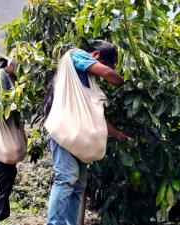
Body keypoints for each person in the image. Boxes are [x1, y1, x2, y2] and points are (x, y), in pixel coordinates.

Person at [46, 41, 130, 225]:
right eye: (106, 63)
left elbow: (95, 116)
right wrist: (127, 87)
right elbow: (109, 75)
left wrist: (117, 135)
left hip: (76, 135)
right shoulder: (76, 55)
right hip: (64, 131)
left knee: (77, 186)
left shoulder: (86, 81)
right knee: (66, 178)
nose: (105, 70)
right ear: (96, 55)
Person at [0, 56, 20, 225]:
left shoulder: (11, 78)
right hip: (1, 136)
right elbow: (1, 103)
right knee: (1, 174)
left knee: (9, 172)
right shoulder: (0, 77)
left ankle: (0, 214)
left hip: (7, 137)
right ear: (10, 65)